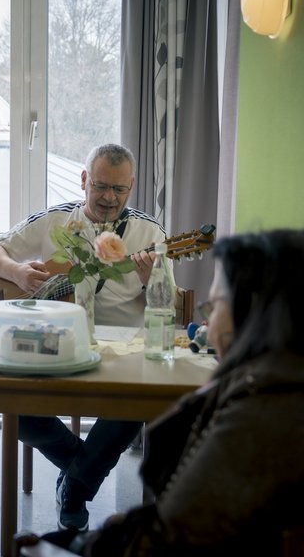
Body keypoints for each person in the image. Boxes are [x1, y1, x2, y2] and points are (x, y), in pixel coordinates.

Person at [47, 229, 304, 556]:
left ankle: (77, 478)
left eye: (214, 305)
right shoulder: (274, 386)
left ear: (253, 312)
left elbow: (169, 534)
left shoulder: (257, 411)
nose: (207, 323)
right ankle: (81, 472)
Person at [0, 143, 164, 531]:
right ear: (83, 180)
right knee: (18, 410)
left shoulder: (149, 232)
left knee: (130, 410)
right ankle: (82, 466)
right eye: (100, 186)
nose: (109, 198)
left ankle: (75, 488)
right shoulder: (55, 220)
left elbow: (168, 304)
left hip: (118, 351)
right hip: (51, 344)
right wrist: (16, 273)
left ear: (131, 187)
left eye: (119, 190)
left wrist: (153, 281)